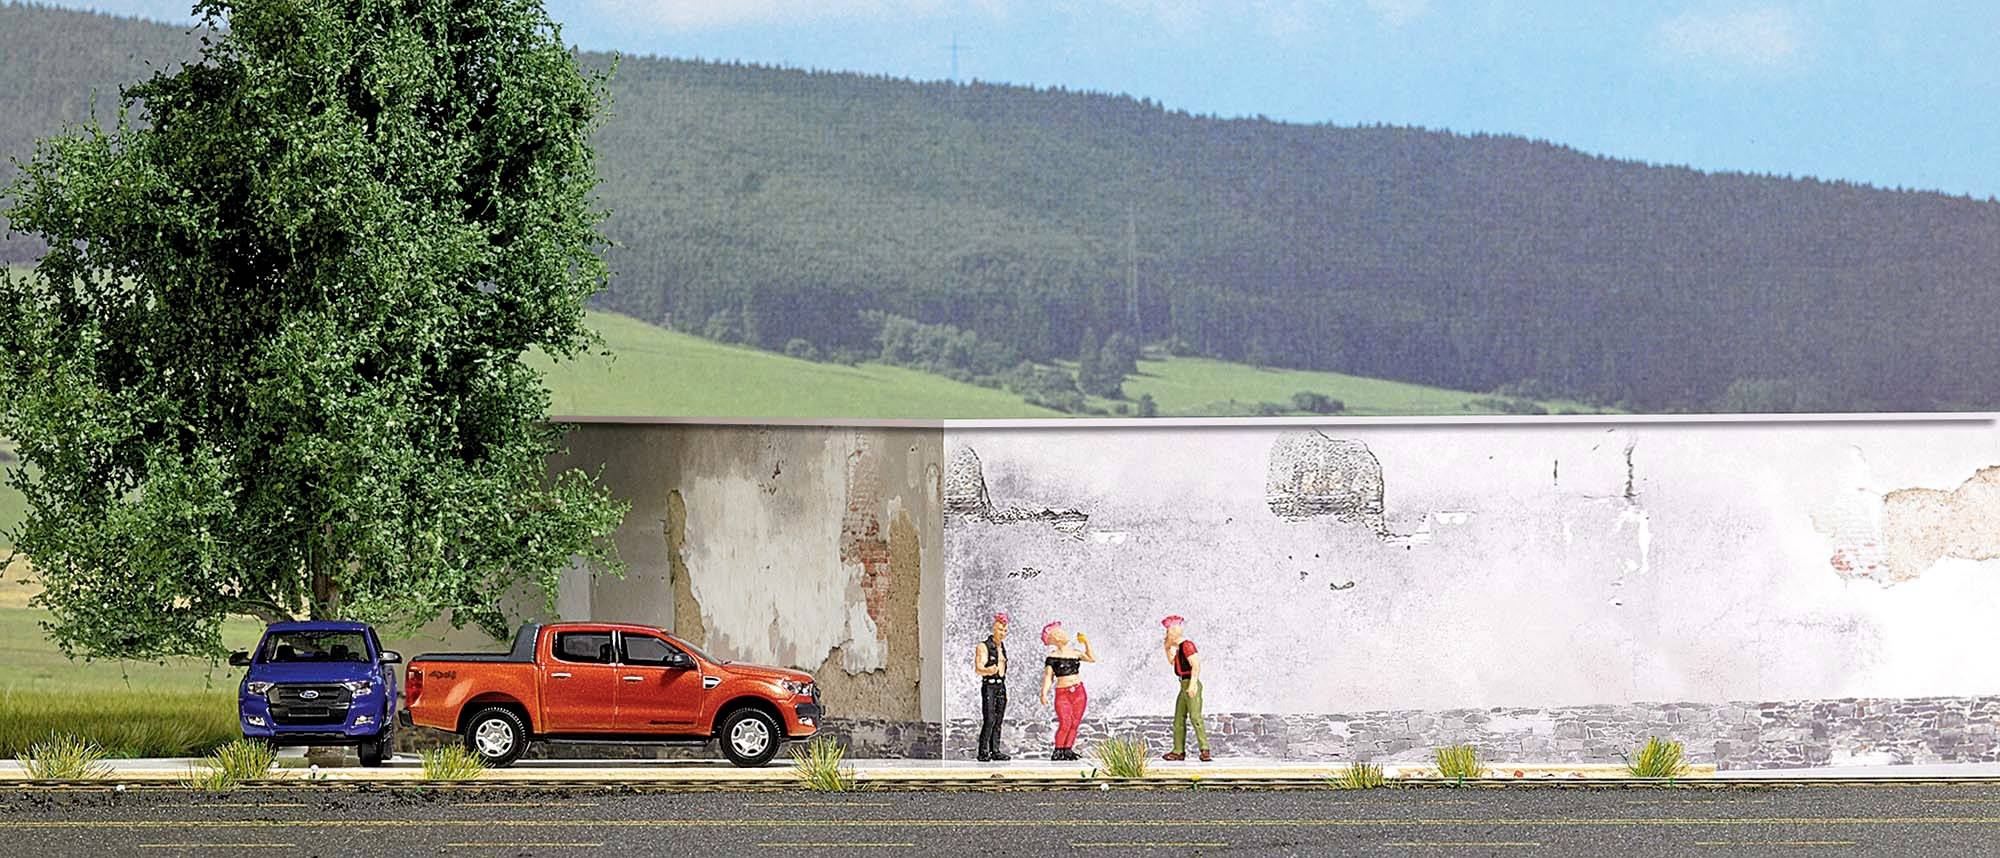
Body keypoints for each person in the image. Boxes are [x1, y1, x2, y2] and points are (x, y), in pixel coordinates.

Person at [1039, 621, 1096, 761]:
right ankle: (1058, 749)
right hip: (1063, 693)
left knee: (1075, 722)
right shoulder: (1052, 657)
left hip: (1078, 691)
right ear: (1056, 638)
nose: (1063, 634)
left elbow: (1091, 658)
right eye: (1059, 633)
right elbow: (1048, 677)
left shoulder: (1075, 653)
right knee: (1065, 722)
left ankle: (1068, 748)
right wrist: (1044, 692)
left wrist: (1086, 642)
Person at [1161, 614, 1210, 762]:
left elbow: (1195, 664)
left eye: (1168, 631)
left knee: (1195, 716)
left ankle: (1204, 748)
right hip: (1183, 685)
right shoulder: (1179, 649)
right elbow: (1172, 662)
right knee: (1178, 719)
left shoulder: (1187, 645)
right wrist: (1167, 648)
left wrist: (1193, 683)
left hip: (1190, 683)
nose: (1166, 634)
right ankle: (1178, 751)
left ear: (1174, 632)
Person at [973, 612, 1011, 762]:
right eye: (1000, 629)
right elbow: (978, 667)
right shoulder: (983, 646)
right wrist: (988, 670)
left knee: (999, 719)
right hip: (989, 686)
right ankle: (983, 751)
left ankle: (995, 750)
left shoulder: (1002, 647)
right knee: (989, 719)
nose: (1003, 633)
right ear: (993, 629)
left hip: (1001, 686)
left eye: (1005, 630)